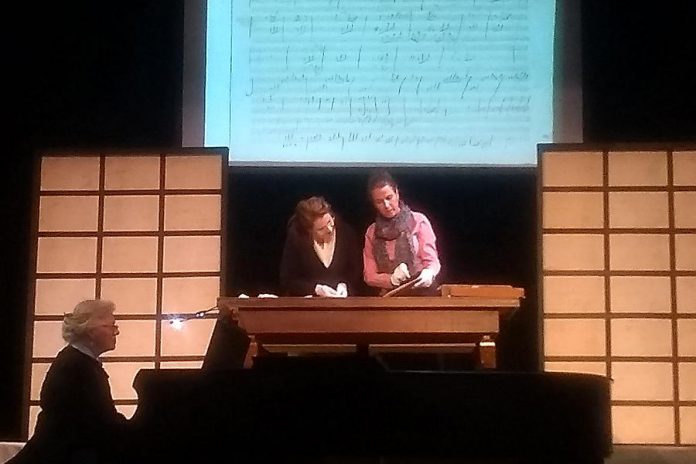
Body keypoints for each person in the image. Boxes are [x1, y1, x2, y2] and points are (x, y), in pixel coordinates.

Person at [10, 299, 131, 464]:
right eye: (111, 326)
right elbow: (100, 421)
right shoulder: (75, 366)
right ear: (91, 330)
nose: (116, 332)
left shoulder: (77, 362)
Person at [363, 170, 441, 296]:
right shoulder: (372, 232)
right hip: (391, 296)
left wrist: (429, 272)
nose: (386, 205)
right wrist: (391, 279)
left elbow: (432, 261)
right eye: (379, 202)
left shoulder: (418, 221)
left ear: (397, 193)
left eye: (389, 198)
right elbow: (369, 275)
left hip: (422, 292)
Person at [280, 196, 363, 297]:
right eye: (321, 229)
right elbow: (288, 280)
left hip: (343, 303)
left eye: (330, 221)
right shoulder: (297, 238)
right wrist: (315, 289)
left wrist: (345, 285)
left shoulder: (347, 233)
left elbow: (355, 270)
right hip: (309, 305)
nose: (329, 229)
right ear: (309, 230)